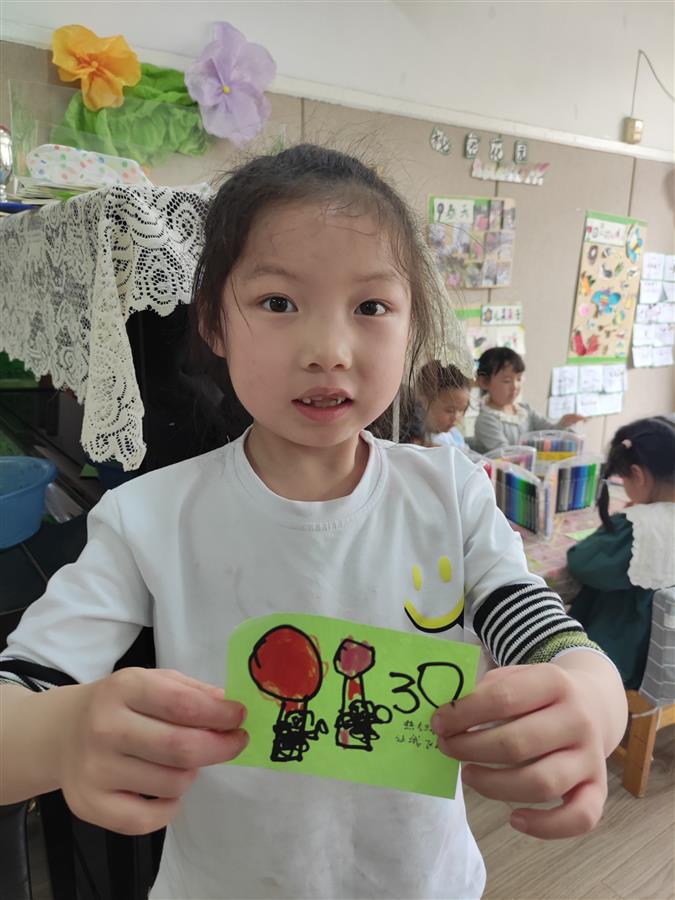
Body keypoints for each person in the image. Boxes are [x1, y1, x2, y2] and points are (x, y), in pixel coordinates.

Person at [0, 145, 627, 900]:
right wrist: (62, 733)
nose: (328, 352)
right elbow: (17, 699)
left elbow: (535, 627)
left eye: (371, 307)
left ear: (412, 327)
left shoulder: (450, 491)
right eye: (277, 302)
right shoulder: (148, 516)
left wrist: (594, 698)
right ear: (214, 322)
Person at [568, 417, 675, 689]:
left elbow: (583, 562)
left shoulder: (641, 525)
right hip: (668, 659)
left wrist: (631, 517)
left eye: (623, 479)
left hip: (629, 658)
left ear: (637, 475)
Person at [472, 347, 584, 453]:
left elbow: (548, 433)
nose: (515, 386)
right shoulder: (486, 420)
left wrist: (563, 424)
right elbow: (506, 454)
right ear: (484, 382)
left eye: (519, 379)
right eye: (507, 381)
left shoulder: (525, 410)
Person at [417, 360, 471, 447]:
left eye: (462, 409)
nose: (456, 417)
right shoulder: (422, 444)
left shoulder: (454, 433)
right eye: (450, 410)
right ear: (424, 400)